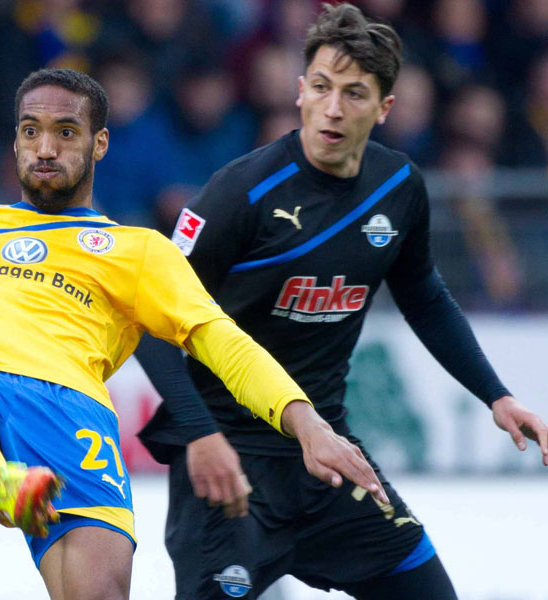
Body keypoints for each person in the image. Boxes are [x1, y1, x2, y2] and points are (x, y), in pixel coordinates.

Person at [0, 68, 388, 600]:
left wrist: (308, 423)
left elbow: (225, 342)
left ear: (99, 144)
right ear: (15, 142)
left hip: (74, 423)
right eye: (31, 132)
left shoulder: (139, 250)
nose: (45, 149)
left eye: (66, 132)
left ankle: (10, 483)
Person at [135, 4, 548, 600]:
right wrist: (199, 437)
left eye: (354, 94)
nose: (333, 108)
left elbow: (426, 297)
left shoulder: (399, 187)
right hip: (228, 463)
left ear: (384, 108)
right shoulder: (238, 192)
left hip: (327, 459)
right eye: (322, 88)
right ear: (300, 91)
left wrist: (497, 395)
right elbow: (152, 321)